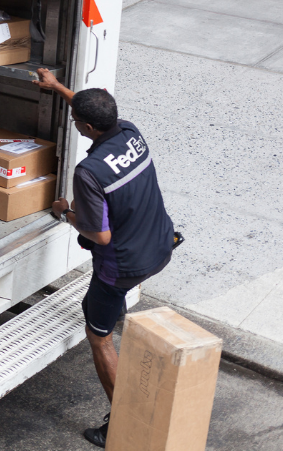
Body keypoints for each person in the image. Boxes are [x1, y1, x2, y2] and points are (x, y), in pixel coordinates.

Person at [35, 69, 177, 449]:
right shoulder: (131, 133)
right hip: (160, 243)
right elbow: (90, 108)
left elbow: (99, 235)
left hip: (123, 265)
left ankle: (124, 425)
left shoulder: (90, 172)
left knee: (98, 338)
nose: (75, 126)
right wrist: (59, 88)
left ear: (87, 127)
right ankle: (111, 314)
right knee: (98, 306)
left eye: (76, 123)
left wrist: (65, 212)